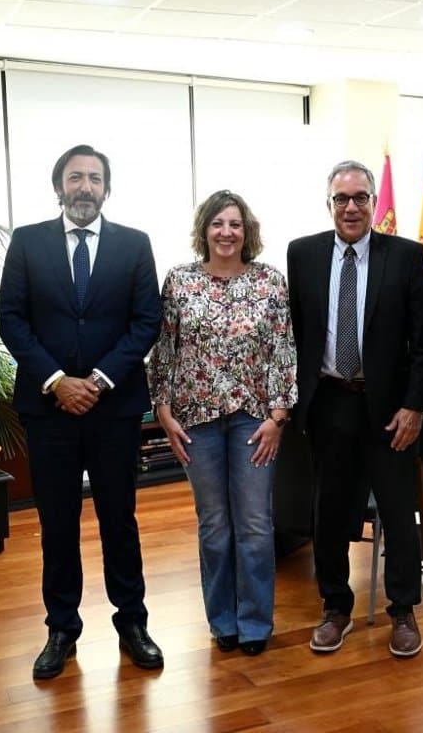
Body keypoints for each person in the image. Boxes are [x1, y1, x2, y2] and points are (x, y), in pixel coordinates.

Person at [0, 144, 163, 679]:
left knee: (121, 519)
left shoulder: (134, 245)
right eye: (75, 177)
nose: (85, 186)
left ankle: (132, 622)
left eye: (94, 178)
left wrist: (95, 381)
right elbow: (11, 319)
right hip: (49, 412)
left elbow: (146, 322)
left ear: (106, 189)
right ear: (59, 187)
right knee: (57, 524)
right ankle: (61, 628)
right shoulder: (27, 243)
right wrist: (56, 382)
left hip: (113, 409)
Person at [285, 159, 423, 658]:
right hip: (328, 403)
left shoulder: (407, 256)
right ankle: (335, 607)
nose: (351, 207)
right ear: (328, 203)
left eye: (360, 197)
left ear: (375, 202)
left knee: (398, 508)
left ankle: (404, 610)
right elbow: (297, 335)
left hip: (390, 410)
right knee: (330, 512)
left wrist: (415, 406)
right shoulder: (301, 254)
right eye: (341, 199)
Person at [147, 190, 297, 656]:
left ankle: (254, 622)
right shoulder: (179, 281)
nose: (226, 232)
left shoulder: (269, 281)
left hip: (255, 421)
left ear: (246, 231)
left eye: (234, 224)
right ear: (204, 230)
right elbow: (165, 350)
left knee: (254, 523)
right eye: (217, 224)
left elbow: (282, 349)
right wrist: (164, 411)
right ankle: (223, 621)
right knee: (214, 525)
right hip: (196, 421)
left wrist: (278, 416)